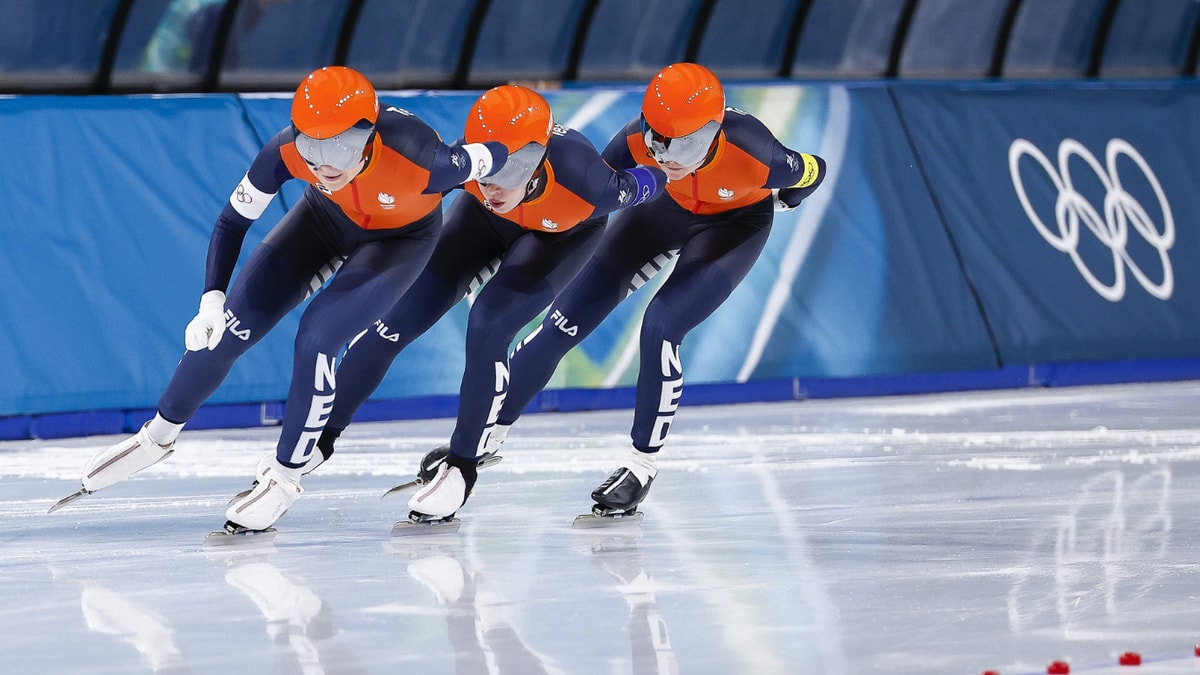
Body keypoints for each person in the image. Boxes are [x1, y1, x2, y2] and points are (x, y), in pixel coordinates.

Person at [67, 66, 508, 533]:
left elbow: (499, 154)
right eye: (310, 147)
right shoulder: (283, 151)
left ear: (370, 135)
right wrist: (211, 299)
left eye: (338, 147)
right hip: (321, 221)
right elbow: (231, 222)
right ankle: (156, 437)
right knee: (229, 327)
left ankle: (283, 478)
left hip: (398, 243)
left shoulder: (427, 159)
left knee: (316, 339)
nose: (323, 165)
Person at [419, 62, 827, 519]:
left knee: (661, 326)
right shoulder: (634, 139)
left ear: (714, 131)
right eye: (659, 139)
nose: (668, 154)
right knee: (560, 325)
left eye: (686, 142)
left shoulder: (758, 152)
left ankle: (641, 465)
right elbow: (590, 189)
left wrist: (788, 197)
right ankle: (486, 435)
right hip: (660, 213)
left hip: (733, 228)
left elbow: (814, 170)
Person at [315, 84, 665, 524]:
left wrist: (674, 174)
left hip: (558, 238)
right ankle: (321, 434)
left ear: (539, 158)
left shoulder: (589, 181)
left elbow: (652, 181)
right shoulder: (464, 168)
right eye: (489, 165)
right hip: (481, 223)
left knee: (488, 324)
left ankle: (462, 468)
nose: (495, 182)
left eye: (511, 168)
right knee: (396, 317)